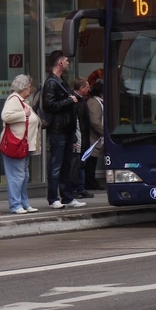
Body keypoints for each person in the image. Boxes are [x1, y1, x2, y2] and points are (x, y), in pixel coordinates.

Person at [41, 51, 84, 209]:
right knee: (56, 165)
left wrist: (73, 137)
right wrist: (69, 101)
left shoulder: (61, 81)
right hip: (58, 130)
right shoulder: (51, 83)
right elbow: (49, 106)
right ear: (59, 63)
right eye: (66, 61)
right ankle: (53, 198)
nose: (68, 63)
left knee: (66, 164)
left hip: (66, 129)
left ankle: (67, 197)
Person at [0, 75, 46, 214]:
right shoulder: (14, 100)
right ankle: (16, 204)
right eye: (29, 87)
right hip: (16, 144)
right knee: (17, 175)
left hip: (22, 144)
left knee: (23, 175)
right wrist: (23, 114)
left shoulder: (21, 100)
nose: (31, 89)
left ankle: (23, 202)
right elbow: (5, 116)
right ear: (24, 88)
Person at [70, 77, 95, 196]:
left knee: (82, 161)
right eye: (87, 87)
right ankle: (75, 189)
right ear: (81, 88)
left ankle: (80, 187)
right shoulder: (74, 101)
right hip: (78, 136)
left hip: (83, 136)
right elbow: (74, 122)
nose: (89, 89)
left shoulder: (82, 100)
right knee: (76, 163)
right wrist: (74, 138)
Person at [84, 80, 105, 191]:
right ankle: (90, 183)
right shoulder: (94, 103)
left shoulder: (97, 102)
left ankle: (91, 182)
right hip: (94, 139)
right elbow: (95, 122)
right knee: (91, 161)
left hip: (96, 138)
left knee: (93, 161)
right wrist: (105, 132)